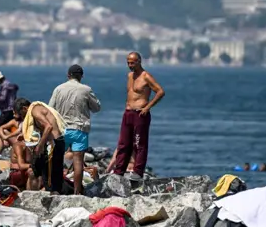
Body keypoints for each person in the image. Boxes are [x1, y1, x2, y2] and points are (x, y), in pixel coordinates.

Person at [110, 52, 165, 181]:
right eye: (128, 62)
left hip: (140, 114)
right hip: (128, 113)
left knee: (139, 144)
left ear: (139, 61)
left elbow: (160, 92)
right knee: (123, 144)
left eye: (133, 62)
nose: (130, 65)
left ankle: (138, 172)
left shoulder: (146, 76)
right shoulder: (130, 76)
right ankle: (119, 171)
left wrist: (147, 107)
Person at [48, 64, 101, 196]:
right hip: (79, 129)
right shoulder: (86, 90)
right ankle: (77, 192)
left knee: (57, 160)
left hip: (61, 130)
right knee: (78, 161)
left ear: (68, 75)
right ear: (81, 76)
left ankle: (55, 189)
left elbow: (50, 109)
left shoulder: (58, 89)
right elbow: (96, 108)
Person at [13, 97, 66, 194]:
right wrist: (24, 135)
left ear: (25, 108)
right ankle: (33, 195)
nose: (22, 117)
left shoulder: (34, 110)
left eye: (21, 114)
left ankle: (52, 197)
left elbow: (48, 127)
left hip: (53, 144)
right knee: (37, 170)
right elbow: (41, 128)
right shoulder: (36, 109)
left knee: (51, 178)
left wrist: (40, 145)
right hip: (54, 143)